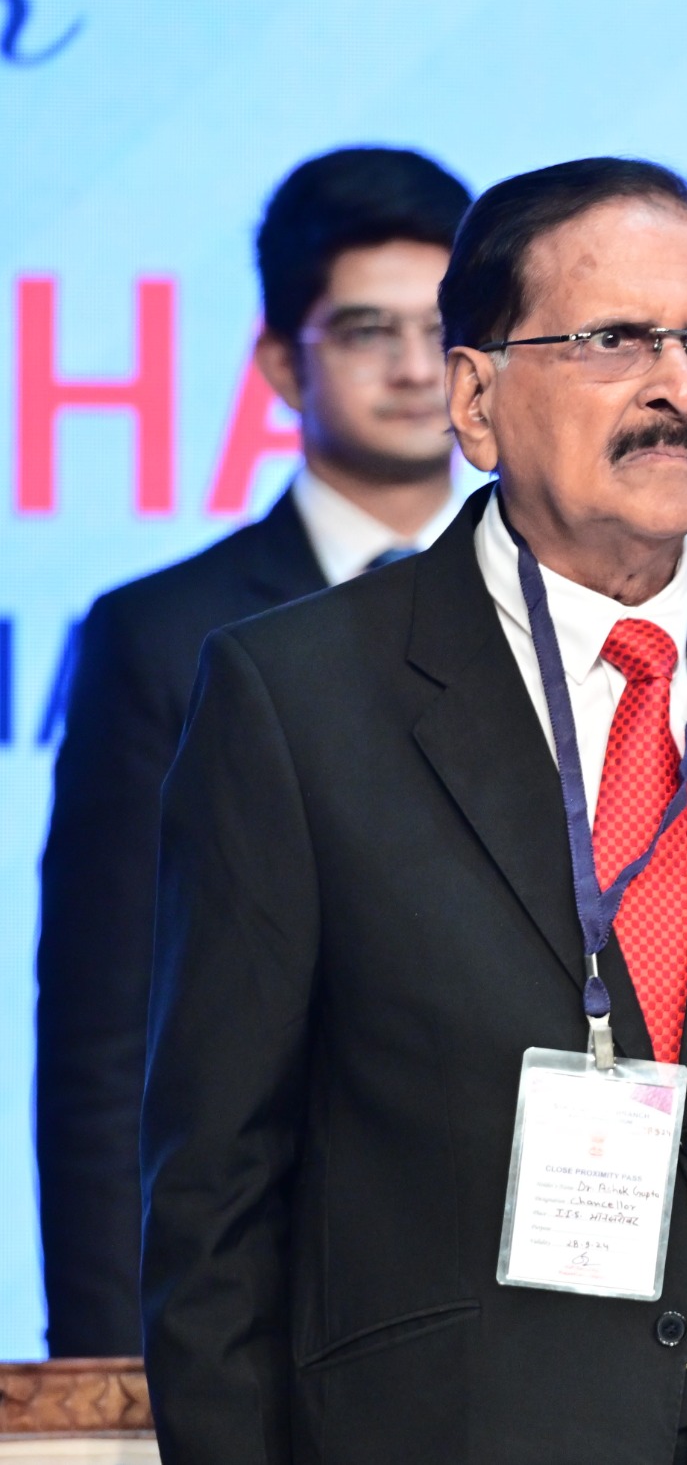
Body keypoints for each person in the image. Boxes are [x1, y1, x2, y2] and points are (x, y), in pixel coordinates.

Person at [140, 158, 687, 1464]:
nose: (677, 387)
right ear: (476, 399)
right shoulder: (297, 696)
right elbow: (216, 1187)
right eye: (614, 340)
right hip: (469, 1425)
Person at [36, 145, 471, 1357]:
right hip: (268, 1303)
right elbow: (106, 1031)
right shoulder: (165, 635)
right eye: (367, 330)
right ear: (283, 361)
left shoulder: (576, 610)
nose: (413, 367)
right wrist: (109, 1358)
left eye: (443, 329)